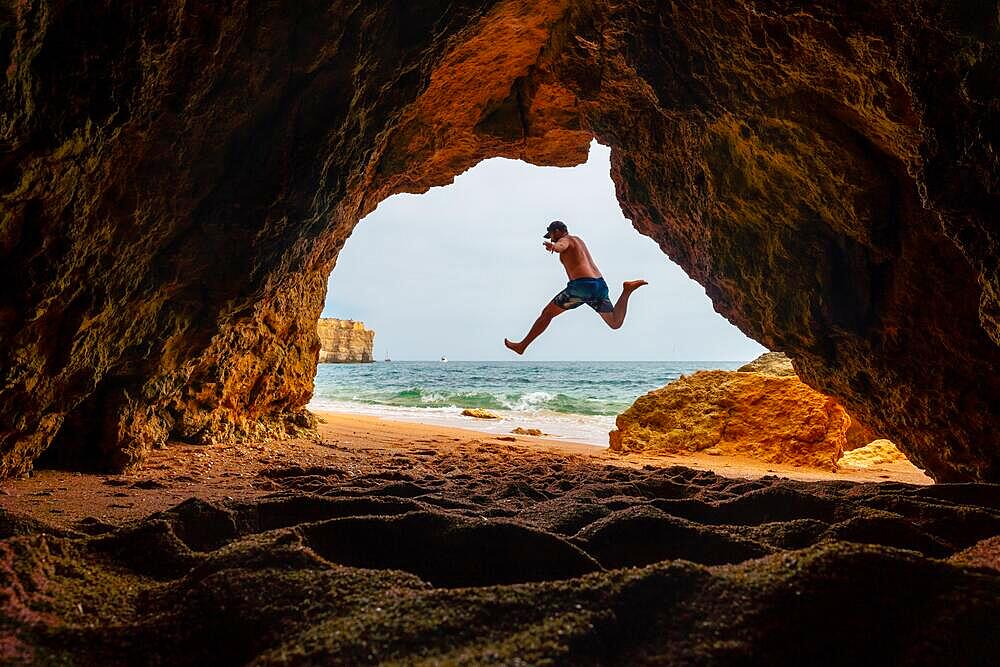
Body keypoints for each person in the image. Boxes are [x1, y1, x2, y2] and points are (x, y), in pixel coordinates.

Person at [504, 221, 647, 354]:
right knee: (615, 322)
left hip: (582, 286)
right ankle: (627, 291)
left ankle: (522, 346)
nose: (552, 239)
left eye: (552, 235)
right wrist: (556, 245)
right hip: (599, 285)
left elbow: (562, 245)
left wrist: (554, 247)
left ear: (558, 231)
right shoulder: (579, 241)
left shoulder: (565, 240)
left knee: (547, 314)